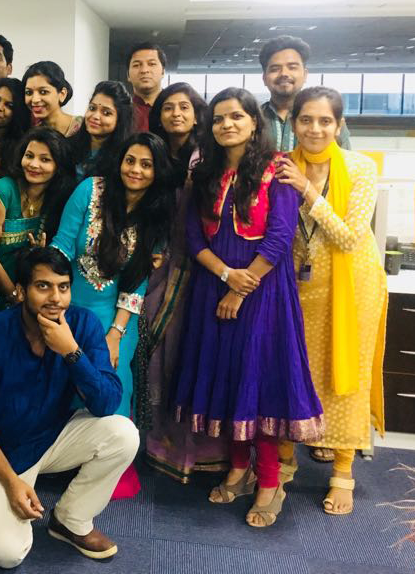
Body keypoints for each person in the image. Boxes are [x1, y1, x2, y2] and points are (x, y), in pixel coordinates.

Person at [172, 87, 324, 528]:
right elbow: (193, 238)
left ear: (254, 122)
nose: (227, 125)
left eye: (236, 116)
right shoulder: (205, 172)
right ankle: (238, 468)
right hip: (213, 285)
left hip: (264, 292)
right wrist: (225, 277)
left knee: (259, 381)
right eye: (219, 119)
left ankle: (270, 481)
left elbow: (280, 237)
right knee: (229, 377)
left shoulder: (279, 169)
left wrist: (240, 289)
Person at [0, 247, 138, 568]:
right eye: (43, 286)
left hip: (53, 437)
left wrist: (71, 352)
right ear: (21, 290)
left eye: (63, 287)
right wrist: (12, 483)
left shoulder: (81, 324)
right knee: (5, 555)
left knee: (123, 433)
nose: (56, 298)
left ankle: (71, 520)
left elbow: (107, 403)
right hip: (3, 455)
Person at [274, 86, 388, 516]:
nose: (315, 129)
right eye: (306, 120)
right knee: (293, 369)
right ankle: (285, 458)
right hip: (297, 286)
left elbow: (349, 236)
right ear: (294, 123)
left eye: (325, 121)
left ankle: (343, 469)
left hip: (351, 287)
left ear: (339, 126)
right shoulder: (282, 166)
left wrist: (307, 190)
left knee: (344, 374)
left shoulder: (361, 168)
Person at [52, 132, 175, 498]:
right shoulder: (90, 190)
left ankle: (103, 464)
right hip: (67, 301)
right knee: (58, 374)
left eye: (146, 164)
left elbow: (136, 282)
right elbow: (62, 245)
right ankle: (59, 457)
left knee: (110, 376)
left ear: (157, 172)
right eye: (130, 160)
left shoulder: (155, 214)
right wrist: (50, 298)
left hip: (116, 314)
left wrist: (115, 333)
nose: (135, 170)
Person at [143, 83, 228, 482]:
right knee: (158, 349)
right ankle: (162, 442)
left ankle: (206, 449)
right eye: (168, 107)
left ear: (197, 115)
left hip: (202, 268)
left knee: (194, 351)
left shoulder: (208, 157)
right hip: (159, 264)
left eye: (184, 107)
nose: (176, 113)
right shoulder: (152, 155)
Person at [0, 127, 77, 315]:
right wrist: (14, 296)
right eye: (29, 156)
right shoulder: (2, 191)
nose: (33, 164)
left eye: (45, 160)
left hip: (32, 291)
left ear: (59, 166)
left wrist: (36, 254)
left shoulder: (57, 198)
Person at [259, 35, 351, 151]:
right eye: (275, 69)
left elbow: (345, 159)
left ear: (305, 75)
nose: (284, 73)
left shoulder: (328, 120)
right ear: (264, 78)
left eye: (292, 67)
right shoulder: (252, 118)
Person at [67, 80, 134, 179]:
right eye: (92, 108)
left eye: (106, 113)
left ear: (120, 119)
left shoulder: (124, 157)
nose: (95, 116)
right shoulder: (68, 146)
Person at [22, 60, 81, 136]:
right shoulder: (32, 133)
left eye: (43, 92)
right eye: (29, 92)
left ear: (62, 94)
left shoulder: (85, 126)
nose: (35, 100)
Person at [126, 42, 166, 132]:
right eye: (136, 65)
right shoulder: (121, 110)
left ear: (163, 72)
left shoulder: (176, 109)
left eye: (152, 64)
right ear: (128, 75)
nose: (144, 70)